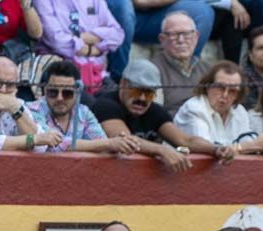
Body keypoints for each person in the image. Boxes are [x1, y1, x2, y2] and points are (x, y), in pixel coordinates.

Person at [93, 58, 237, 170]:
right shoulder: (106, 105)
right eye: (137, 90)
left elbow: (186, 141)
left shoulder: (154, 111)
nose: (142, 98)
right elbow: (125, 140)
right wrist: (161, 150)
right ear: (123, 84)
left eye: (149, 93)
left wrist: (217, 149)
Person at [27, 60, 135, 152]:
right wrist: (108, 143)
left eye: (67, 93)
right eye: (53, 92)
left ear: (77, 93)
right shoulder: (33, 110)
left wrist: (118, 143)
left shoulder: (83, 112)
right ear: (44, 90)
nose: (60, 98)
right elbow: (55, 144)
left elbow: (100, 141)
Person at [174, 61, 263, 150]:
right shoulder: (194, 109)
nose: (225, 95)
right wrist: (250, 146)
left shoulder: (239, 111)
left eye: (232, 91)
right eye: (220, 87)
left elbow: (247, 141)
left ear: (238, 95)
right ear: (207, 86)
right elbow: (208, 151)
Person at [32, 0, 124, 94]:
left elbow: (117, 34)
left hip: (98, 74)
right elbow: (56, 41)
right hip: (63, 74)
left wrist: (76, 38)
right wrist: (94, 49)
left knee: (118, 101)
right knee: (96, 105)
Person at [151, 11, 211, 114]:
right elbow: (154, 115)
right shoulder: (152, 70)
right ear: (162, 39)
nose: (181, 40)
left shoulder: (207, 70)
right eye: (174, 34)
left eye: (187, 34)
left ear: (196, 37)